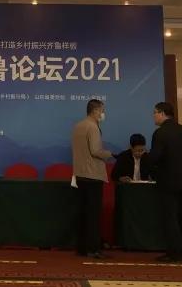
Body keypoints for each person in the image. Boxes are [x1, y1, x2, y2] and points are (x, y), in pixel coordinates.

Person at [150, 101, 182, 262]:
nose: (153, 116)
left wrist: (153, 170)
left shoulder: (160, 133)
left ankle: (174, 253)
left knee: (170, 217)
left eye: (155, 112)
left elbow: (155, 157)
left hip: (168, 181)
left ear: (162, 113)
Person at [71, 98, 112, 258]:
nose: (103, 113)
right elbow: (95, 151)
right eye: (102, 110)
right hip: (93, 175)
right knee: (93, 215)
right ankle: (93, 249)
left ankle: (82, 248)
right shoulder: (93, 127)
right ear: (95, 111)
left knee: (83, 213)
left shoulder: (78, 126)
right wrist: (109, 154)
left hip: (80, 174)